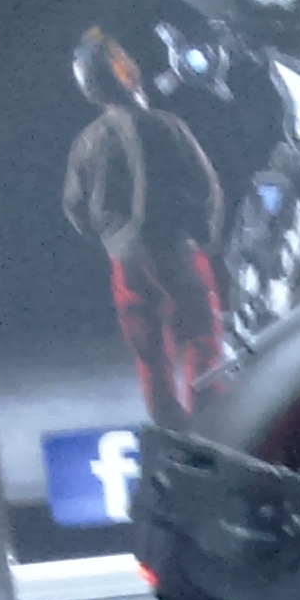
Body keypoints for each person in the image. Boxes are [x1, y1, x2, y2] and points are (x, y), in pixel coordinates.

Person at [61, 30, 226, 430]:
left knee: (148, 346)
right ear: (126, 73)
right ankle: (211, 420)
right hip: (178, 249)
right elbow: (206, 188)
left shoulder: (88, 141)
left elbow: (75, 206)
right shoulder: (168, 126)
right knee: (200, 335)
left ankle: (168, 425)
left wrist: (113, 242)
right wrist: (206, 238)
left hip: (127, 259)